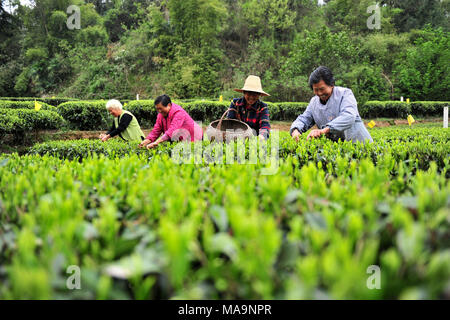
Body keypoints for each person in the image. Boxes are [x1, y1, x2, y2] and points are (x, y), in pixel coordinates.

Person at [290, 66, 373, 143]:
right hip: (338, 151)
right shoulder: (314, 102)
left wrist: (324, 130)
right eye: (316, 90)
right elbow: (304, 119)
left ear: (332, 84)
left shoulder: (345, 94)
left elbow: (349, 116)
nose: (319, 93)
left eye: (322, 89)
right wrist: (295, 129)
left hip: (360, 145)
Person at [139, 94, 203, 149]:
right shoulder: (160, 115)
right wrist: (147, 140)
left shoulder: (178, 112)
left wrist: (156, 142)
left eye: (161, 108)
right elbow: (156, 130)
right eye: (157, 109)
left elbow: (172, 131)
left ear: (169, 105)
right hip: (180, 139)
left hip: (194, 137)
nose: (159, 111)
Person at [227, 75, 271, 140]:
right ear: (244, 93)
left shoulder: (262, 107)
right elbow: (229, 122)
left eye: (255, 94)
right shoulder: (235, 103)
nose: (251, 97)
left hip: (253, 139)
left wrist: (261, 136)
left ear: (259, 95)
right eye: (249, 94)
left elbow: (265, 125)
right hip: (236, 137)